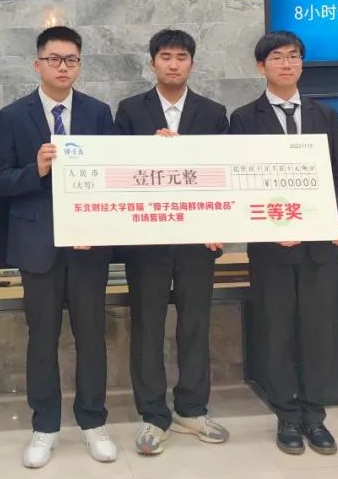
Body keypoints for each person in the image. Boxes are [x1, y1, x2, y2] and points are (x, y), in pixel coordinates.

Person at [0, 25, 117, 469]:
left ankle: (93, 422)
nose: (63, 67)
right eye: (54, 59)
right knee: (41, 339)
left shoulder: (99, 113)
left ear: (79, 64)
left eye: (71, 60)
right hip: (37, 245)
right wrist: (36, 170)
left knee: (92, 337)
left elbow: (113, 175)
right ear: (37, 64)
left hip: (87, 244)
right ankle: (44, 426)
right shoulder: (13, 115)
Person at [228, 31, 338, 456]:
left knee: (317, 332)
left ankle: (314, 415)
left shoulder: (325, 115)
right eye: (277, 57)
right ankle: (285, 415)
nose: (286, 64)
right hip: (271, 248)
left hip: (318, 246)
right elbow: (238, 180)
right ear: (260, 66)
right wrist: (268, 226)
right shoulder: (243, 119)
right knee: (277, 331)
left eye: (294, 56)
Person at [114, 29, 230, 456]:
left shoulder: (213, 113)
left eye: (181, 57)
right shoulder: (130, 111)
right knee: (147, 326)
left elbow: (223, 174)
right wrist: (149, 151)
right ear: (153, 63)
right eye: (165, 56)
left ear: (192, 64)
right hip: (147, 238)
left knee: (195, 324)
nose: (174, 63)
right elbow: (118, 172)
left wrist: (219, 225)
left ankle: (192, 409)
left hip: (198, 239)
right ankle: (153, 414)